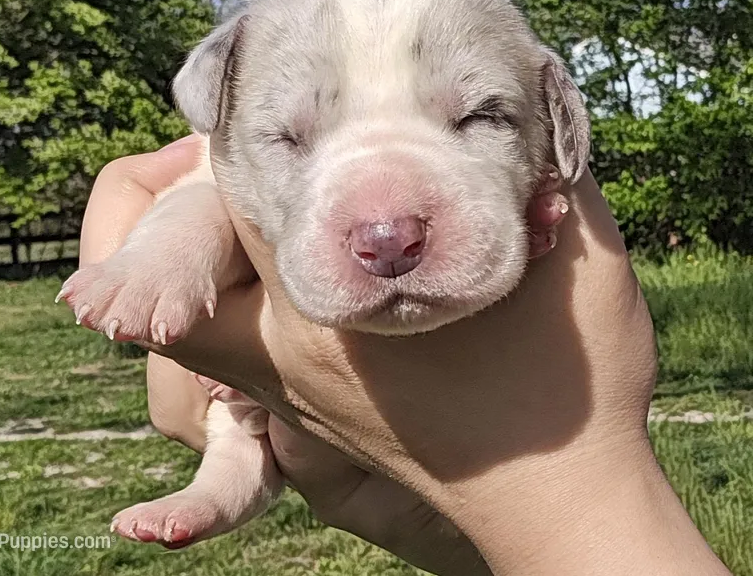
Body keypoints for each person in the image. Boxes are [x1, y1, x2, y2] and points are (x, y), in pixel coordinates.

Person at [78, 134, 732, 576]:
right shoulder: (247, 143)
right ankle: (221, 485)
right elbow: (202, 202)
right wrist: (160, 265)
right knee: (239, 433)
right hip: (291, 408)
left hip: (452, 394)